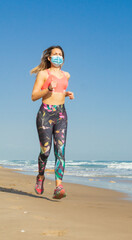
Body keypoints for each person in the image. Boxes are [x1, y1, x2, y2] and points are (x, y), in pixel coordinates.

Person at [30, 45, 74, 199]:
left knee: (60, 150)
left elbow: (59, 90)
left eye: (60, 54)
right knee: (46, 151)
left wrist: (66, 93)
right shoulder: (43, 74)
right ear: (49, 58)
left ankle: (58, 186)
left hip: (61, 114)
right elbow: (34, 96)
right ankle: (40, 177)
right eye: (55, 54)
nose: (58, 57)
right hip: (45, 114)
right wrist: (48, 89)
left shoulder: (66, 75)